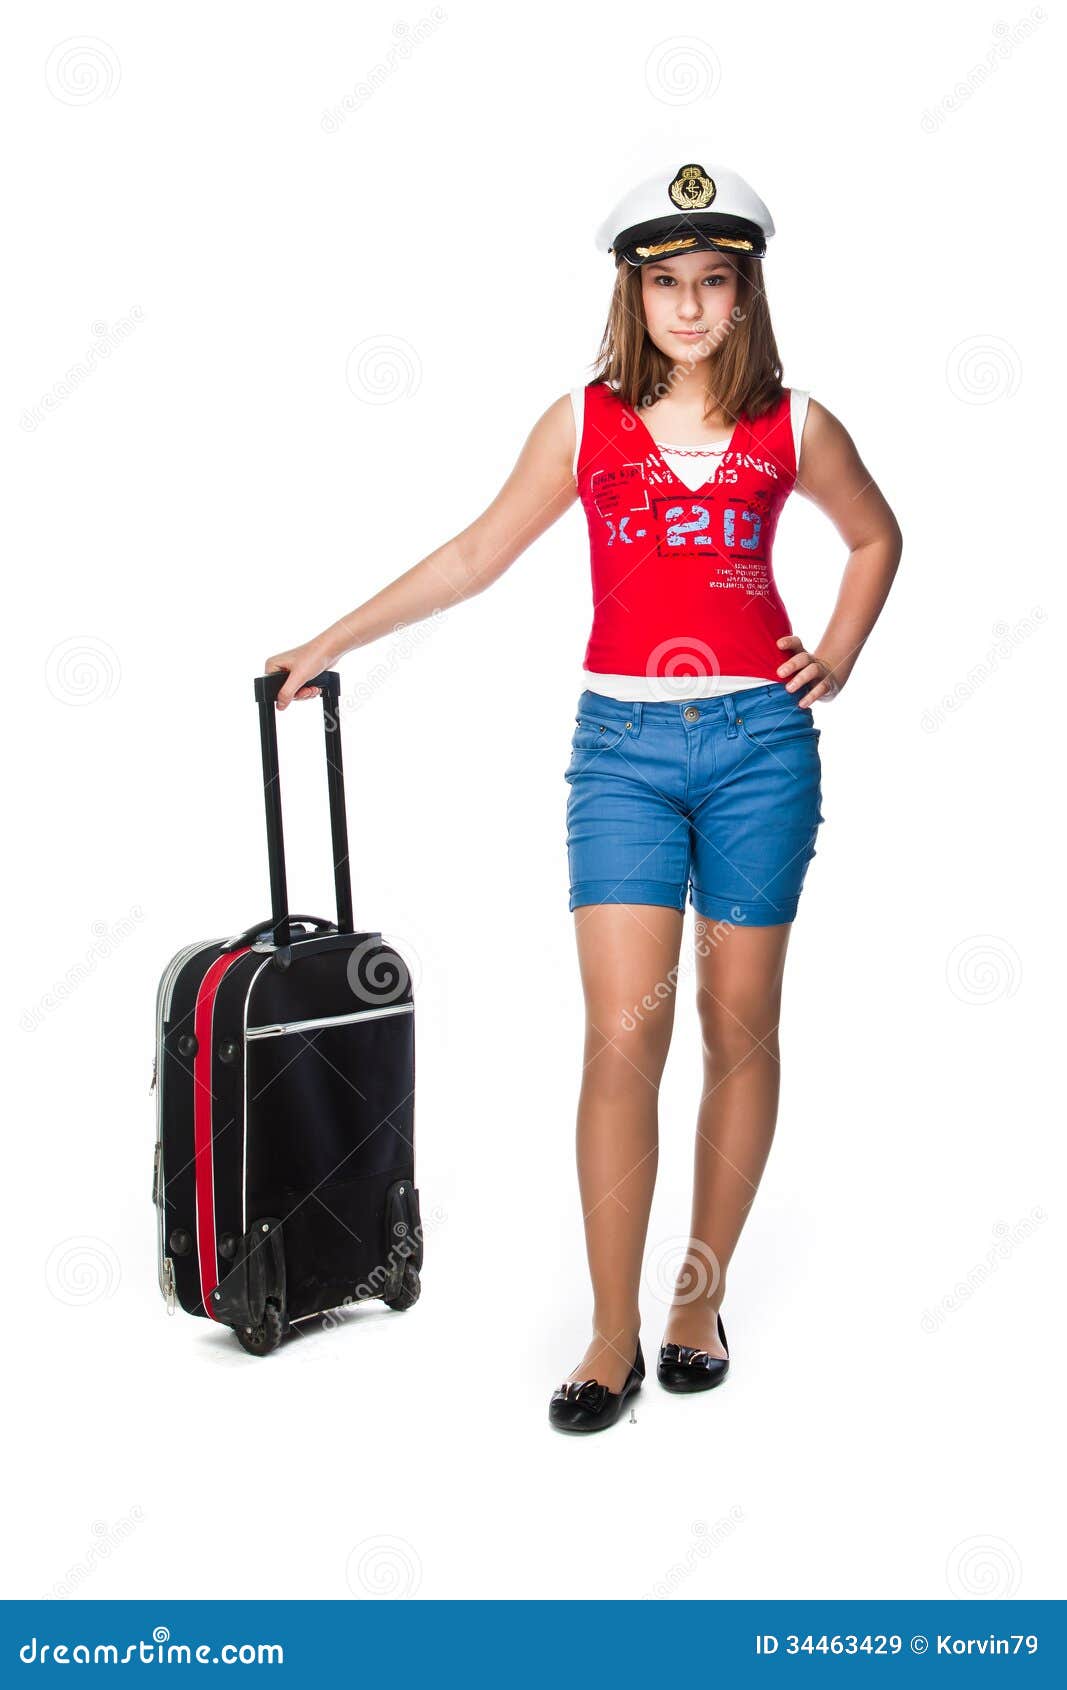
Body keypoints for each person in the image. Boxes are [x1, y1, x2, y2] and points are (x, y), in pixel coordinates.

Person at [265, 157, 903, 1436]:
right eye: (664, 282)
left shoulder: (798, 425)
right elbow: (475, 553)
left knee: (737, 1025)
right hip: (619, 749)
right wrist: (331, 639)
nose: (686, 307)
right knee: (622, 1035)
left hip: (759, 749)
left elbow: (875, 536)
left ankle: (693, 1299)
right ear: (632, 291)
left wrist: (835, 648)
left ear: (745, 294)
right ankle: (609, 1332)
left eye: (712, 283)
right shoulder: (584, 421)